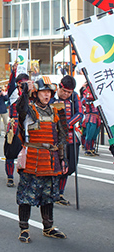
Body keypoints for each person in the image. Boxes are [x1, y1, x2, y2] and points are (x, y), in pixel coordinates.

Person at [16, 78, 67, 243]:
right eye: (43, 91)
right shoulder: (29, 109)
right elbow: (20, 108)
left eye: (49, 92)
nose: (47, 95)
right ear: (36, 93)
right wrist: (25, 92)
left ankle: (48, 227)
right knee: (26, 197)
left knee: (49, 196)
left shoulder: (56, 110)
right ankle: (24, 229)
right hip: (32, 159)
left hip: (50, 161)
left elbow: (62, 136)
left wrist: (63, 159)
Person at [50, 75, 83, 206]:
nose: (66, 94)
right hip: (54, 138)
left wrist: (67, 124)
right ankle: (55, 192)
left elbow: (80, 113)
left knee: (71, 166)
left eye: (69, 92)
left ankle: (60, 192)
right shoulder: (51, 96)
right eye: (64, 91)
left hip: (70, 137)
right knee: (56, 166)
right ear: (60, 86)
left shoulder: (75, 97)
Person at [4, 63, 29, 187]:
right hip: (14, 127)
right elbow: (10, 84)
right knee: (10, 153)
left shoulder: (31, 95)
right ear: (18, 84)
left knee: (26, 153)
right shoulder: (14, 93)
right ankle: (9, 177)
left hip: (27, 127)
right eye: (22, 83)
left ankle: (24, 177)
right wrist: (13, 71)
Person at [81, 87, 101, 156]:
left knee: (94, 135)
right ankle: (88, 149)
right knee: (89, 134)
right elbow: (84, 101)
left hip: (97, 118)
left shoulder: (99, 95)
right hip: (91, 117)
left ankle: (92, 148)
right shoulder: (87, 96)